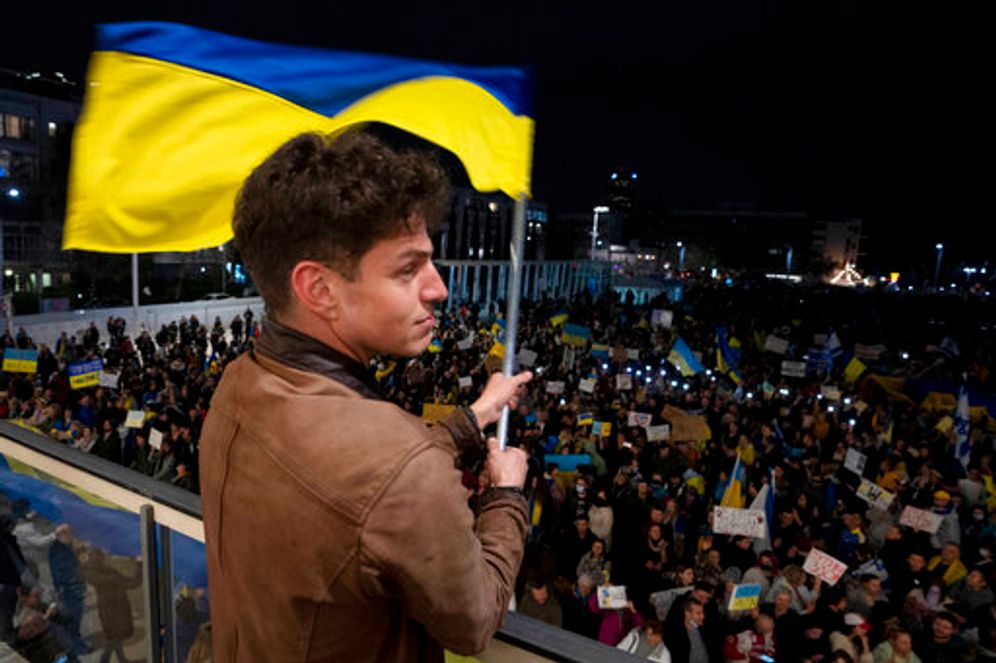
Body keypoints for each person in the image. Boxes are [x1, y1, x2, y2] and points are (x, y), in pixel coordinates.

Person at [199, 130, 533, 661]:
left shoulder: (239, 381)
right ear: (320, 289)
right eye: (408, 268)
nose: (439, 288)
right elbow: (472, 624)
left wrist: (471, 420)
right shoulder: (400, 466)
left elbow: (360, 489)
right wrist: (507, 499)